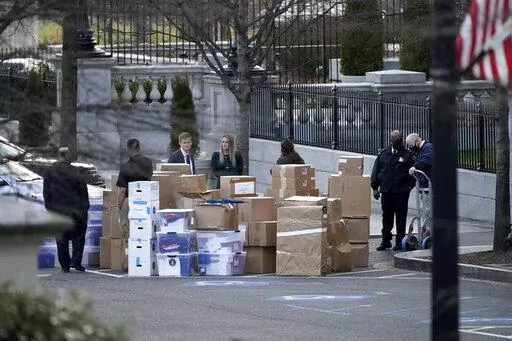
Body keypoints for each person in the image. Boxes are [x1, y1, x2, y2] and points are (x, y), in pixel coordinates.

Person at [43, 147, 90, 272]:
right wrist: (85, 208)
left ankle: (65, 265)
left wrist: (50, 208)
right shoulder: (76, 171)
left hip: (58, 210)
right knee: (78, 236)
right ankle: (76, 262)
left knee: (61, 238)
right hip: (76, 210)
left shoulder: (49, 172)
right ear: (68, 156)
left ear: (58, 156)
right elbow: (83, 192)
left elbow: (46, 193)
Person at [371, 130, 415, 251]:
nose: (399, 141)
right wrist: (375, 188)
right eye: (396, 139)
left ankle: (400, 242)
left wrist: (409, 187)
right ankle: (386, 241)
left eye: (400, 139)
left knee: (401, 218)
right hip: (386, 191)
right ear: (391, 140)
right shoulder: (383, 154)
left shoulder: (407, 155)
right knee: (386, 217)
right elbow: (376, 171)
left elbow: (413, 173)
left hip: (401, 192)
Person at [116, 139, 153, 238]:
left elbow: (122, 190)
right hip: (146, 200)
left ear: (128, 149)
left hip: (131, 201)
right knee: (144, 229)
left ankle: (130, 247)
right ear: (139, 148)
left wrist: (118, 207)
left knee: (128, 229)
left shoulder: (125, 167)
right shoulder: (148, 163)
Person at [406, 133, 434, 220]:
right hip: (424, 186)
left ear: (417, 141)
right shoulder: (421, 150)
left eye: (411, 145)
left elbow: (426, 160)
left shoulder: (428, 148)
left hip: (429, 185)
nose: (411, 147)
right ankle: (428, 228)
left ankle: (429, 230)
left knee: (428, 210)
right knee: (426, 210)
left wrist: (415, 166)